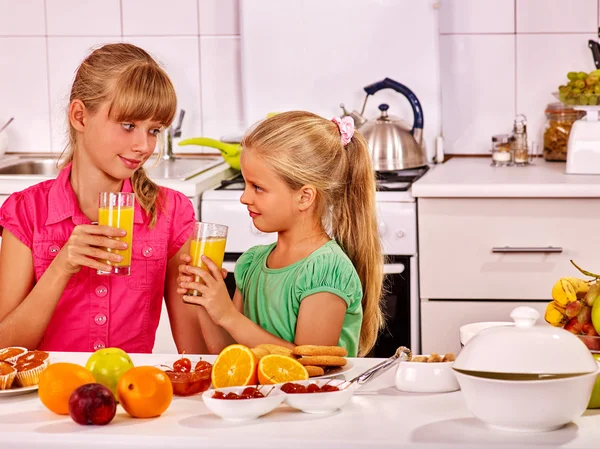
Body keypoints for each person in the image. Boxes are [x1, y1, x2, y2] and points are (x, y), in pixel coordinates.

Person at [0, 43, 206, 354]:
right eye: (128, 125)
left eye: (154, 130)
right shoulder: (26, 212)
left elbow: (195, 354)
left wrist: (213, 301)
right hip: (47, 397)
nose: (143, 146)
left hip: (131, 396)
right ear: (80, 117)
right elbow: (4, 350)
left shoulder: (171, 213)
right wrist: (61, 267)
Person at [178, 111, 384, 357]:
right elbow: (229, 354)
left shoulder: (326, 269)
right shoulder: (251, 263)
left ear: (304, 197)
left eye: (258, 187)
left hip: (315, 396)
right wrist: (208, 301)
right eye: (245, 184)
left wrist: (228, 315)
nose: (244, 197)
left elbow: (312, 366)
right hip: (263, 396)